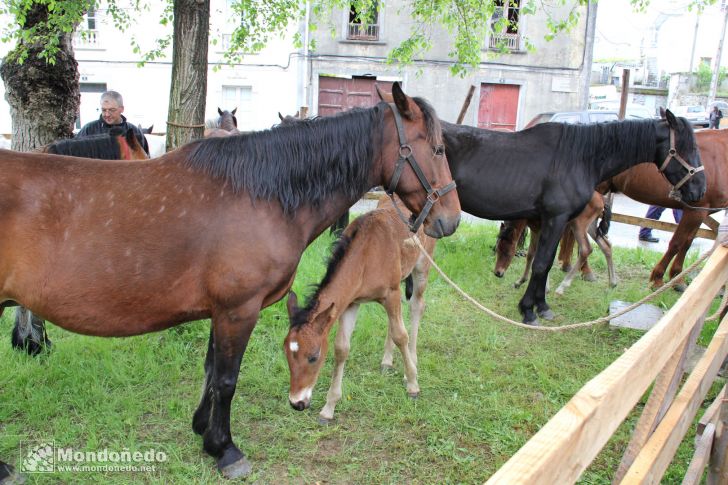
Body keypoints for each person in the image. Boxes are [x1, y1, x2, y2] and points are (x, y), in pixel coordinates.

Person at [77, 90, 149, 154]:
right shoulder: (88, 130)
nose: (107, 114)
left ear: (122, 109)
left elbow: (144, 160)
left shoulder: (134, 132)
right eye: (104, 110)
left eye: (112, 110)